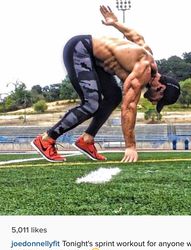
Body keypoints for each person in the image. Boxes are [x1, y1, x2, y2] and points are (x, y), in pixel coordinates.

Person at [32, 5, 180, 163]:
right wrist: (130, 146)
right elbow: (128, 106)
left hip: (96, 61)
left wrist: (116, 23)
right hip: (81, 49)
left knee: (114, 96)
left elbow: (136, 37)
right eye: (158, 99)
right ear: (161, 87)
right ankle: (46, 139)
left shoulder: (148, 58)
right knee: (91, 104)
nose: (153, 101)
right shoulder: (144, 69)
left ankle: (87, 140)